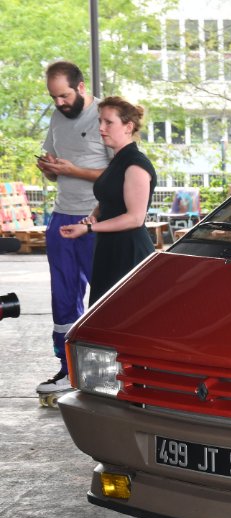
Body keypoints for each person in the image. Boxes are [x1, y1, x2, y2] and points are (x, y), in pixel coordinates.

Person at [35, 61, 113, 394]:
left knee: (105, 296)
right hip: (61, 215)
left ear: (81, 87)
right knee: (63, 295)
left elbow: (122, 172)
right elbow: (56, 171)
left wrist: (74, 170)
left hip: (97, 218)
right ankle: (67, 368)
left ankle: (107, 372)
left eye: (64, 96)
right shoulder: (57, 118)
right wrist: (50, 169)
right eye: (53, 97)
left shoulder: (105, 117)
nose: (59, 103)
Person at [60, 97, 157, 306]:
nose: (101, 128)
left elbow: (135, 218)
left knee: (123, 313)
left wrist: (89, 228)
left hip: (129, 252)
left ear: (128, 127)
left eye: (109, 122)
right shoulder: (118, 161)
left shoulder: (135, 164)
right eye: (100, 121)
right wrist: (93, 217)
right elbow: (109, 199)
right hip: (110, 247)